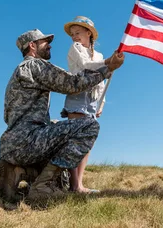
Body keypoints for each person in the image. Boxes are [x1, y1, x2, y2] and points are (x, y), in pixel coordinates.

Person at [0, 28, 124, 202]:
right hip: (27, 143)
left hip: (11, 145)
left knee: (56, 124)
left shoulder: (18, 72)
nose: (49, 45)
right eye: (45, 42)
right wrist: (107, 69)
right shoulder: (35, 66)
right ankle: (43, 186)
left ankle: (20, 171)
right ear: (32, 46)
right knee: (89, 126)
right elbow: (73, 83)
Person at [61, 16, 107, 193]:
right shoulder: (76, 48)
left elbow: (101, 81)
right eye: (72, 34)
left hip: (92, 99)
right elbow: (86, 65)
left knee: (88, 141)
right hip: (78, 95)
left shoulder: (100, 55)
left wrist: (101, 103)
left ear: (88, 33)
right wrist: (107, 64)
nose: (74, 36)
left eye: (78, 33)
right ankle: (74, 185)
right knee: (76, 139)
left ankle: (79, 182)